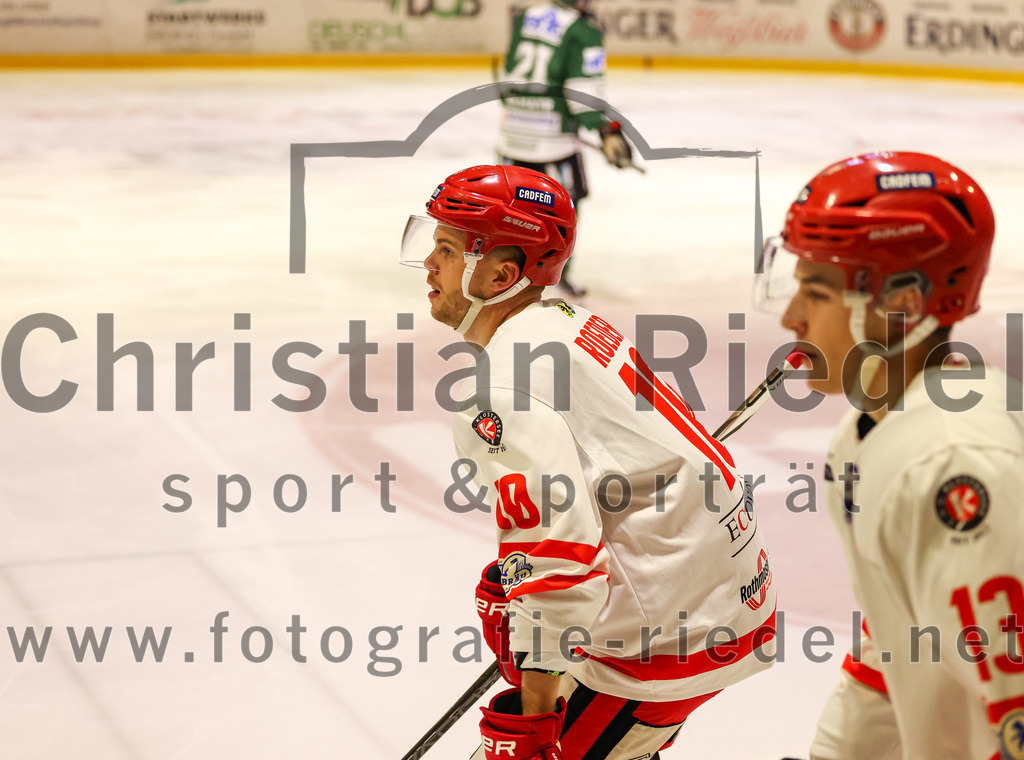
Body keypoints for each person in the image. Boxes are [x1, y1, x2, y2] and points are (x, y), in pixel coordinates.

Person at [401, 164, 777, 759]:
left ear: (500, 274)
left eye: (446, 249)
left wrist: (536, 716)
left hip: (668, 635)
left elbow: (559, 557)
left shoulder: (502, 388)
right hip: (717, 598)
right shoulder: (571, 326)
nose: (428, 264)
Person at [755, 151, 1024, 760]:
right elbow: (898, 641)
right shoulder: (870, 429)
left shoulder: (956, 464)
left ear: (903, 306)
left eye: (817, 293)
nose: (792, 318)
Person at [497, 0, 633, 297]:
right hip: (552, 143)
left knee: (513, 211)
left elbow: (506, 73)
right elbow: (583, 92)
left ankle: (508, 275)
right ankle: (555, 274)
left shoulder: (526, 16)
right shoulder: (583, 31)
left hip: (513, 135)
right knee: (563, 211)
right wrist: (606, 131)